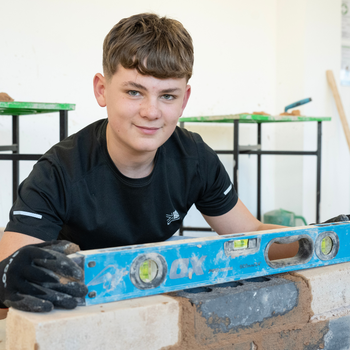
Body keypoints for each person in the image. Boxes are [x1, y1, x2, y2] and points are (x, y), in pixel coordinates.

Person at [0, 13, 348, 314]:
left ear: (185, 99)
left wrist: (322, 237)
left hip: (150, 297)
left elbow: (252, 233)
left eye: (167, 95)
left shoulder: (194, 159)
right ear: (102, 90)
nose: (152, 112)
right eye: (134, 92)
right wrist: (11, 274)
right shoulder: (60, 170)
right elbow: (10, 261)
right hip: (79, 307)